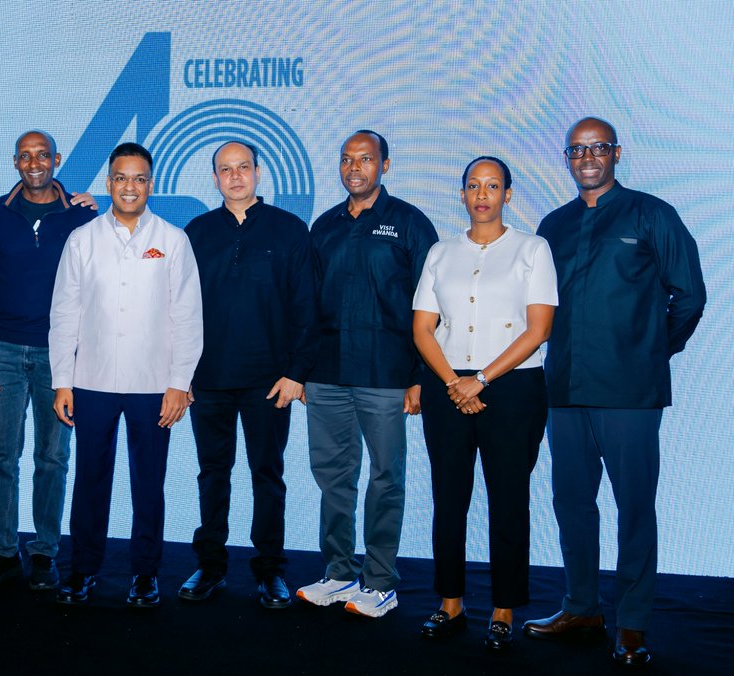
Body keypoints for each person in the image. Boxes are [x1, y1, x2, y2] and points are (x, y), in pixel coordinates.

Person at [522, 118, 706, 667]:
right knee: (571, 504)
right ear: (567, 158)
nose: (588, 158)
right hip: (564, 390)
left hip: (629, 391)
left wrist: (650, 350)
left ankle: (631, 623)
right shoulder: (552, 225)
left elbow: (690, 297)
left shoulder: (653, 214)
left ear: (617, 153)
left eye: (598, 148)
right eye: (577, 150)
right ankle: (581, 607)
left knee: (633, 509)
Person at [412, 157, 557, 649]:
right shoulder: (440, 252)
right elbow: (422, 328)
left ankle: (503, 607)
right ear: (462, 194)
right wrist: (456, 381)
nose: (482, 194)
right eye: (473, 185)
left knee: (508, 499)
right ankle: (450, 603)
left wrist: (482, 380)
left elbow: (539, 330)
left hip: (513, 390)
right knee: (448, 498)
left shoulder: (532, 249)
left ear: (508, 195)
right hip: (446, 385)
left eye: (492, 186)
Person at [50, 142, 203, 607]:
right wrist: (62, 380)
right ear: (109, 183)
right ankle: (83, 569)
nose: (129, 186)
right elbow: (65, 312)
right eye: (120, 178)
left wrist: (180, 382)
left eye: (138, 178)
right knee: (89, 479)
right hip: (91, 381)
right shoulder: (83, 239)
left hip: (153, 385)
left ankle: (145, 573)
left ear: (150, 184)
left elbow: (188, 316)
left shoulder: (173, 240)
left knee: (148, 483)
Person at [299, 130, 438, 618]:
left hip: (386, 374)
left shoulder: (410, 224)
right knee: (334, 476)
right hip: (328, 373)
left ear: (385, 165)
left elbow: (430, 304)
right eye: (346, 159)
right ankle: (338, 573)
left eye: (365, 159)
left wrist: (421, 375)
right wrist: (301, 372)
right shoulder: (325, 226)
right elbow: (308, 306)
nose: (355, 167)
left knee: (385, 478)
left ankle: (380, 581)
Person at [178, 141, 317, 609]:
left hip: (269, 380)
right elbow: (176, 309)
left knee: (267, 474)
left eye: (243, 168)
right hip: (209, 378)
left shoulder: (290, 230)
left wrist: (297, 372)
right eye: (225, 170)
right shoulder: (195, 233)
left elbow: (306, 307)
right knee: (213, 474)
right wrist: (181, 373)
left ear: (258, 172)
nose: (235, 177)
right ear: (214, 178)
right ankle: (210, 567)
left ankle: (270, 571)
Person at [0, 130, 96, 590]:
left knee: (52, 457)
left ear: (56, 159)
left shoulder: (81, 215)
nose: (35, 162)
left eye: (43, 155)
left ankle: (44, 553)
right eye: (26, 155)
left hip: (58, 353)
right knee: (0, 456)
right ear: (15, 163)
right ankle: (2, 552)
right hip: (0, 348)